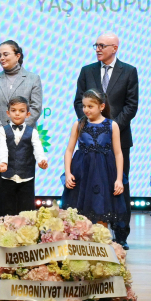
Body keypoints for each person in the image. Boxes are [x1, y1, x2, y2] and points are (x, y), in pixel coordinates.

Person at [72, 32, 139, 249]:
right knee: (89, 185)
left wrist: (110, 128)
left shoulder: (129, 71)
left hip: (118, 140)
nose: (98, 49)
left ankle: (121, 234)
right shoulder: (87, 70)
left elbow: (131, 105)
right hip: (90, 142)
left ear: (114, 48)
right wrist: (93, 126)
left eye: (102, 45)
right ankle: (88, 233)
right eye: (96, 45)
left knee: (119, 185)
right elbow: (78, 102)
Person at [0, 40, 43, 225]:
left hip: (24, 142)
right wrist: (1, 129)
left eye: (5, 54)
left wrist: (19, 129)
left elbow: (35, 108)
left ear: (18, 55)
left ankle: (25, 231)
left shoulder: (32, 78)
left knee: (24, 188)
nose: (1, 58)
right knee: (1, 189)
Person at [62, 89, 125, 228]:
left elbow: (118, 153)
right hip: (82, 172)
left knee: (102, 211)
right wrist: (68, 173)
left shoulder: (112, 125)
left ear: (101, 106)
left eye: (90, 106)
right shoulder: (79, 124)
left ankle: (102, 241)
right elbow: (69, 150)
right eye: (84, 106)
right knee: (79, 216)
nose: (86, 110)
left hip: (104, 174)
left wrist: (119, 179)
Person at [0, 96, 48, 218]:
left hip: (26, 178)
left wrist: (42, 160)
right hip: (8, 177)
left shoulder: (33, 132)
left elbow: (38, 148)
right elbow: (2, 148)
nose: (17, 113)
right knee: (7, 211)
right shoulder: (2, 130)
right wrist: (3, 163)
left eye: (21, 111)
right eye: (13, 110)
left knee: (27, 212)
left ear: (28, 114)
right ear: (8, 113)